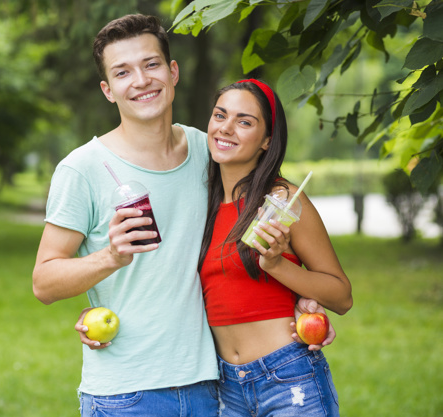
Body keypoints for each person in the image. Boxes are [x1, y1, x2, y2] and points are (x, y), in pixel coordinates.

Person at [33, 14, 335, 416]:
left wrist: (304, 300)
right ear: (108, 90)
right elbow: (44, 282)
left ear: (173, 72)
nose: (140, 81)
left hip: (211, 389)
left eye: (151, 64)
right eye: (123, 72)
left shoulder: (207, 152)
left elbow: (250, 224)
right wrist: (110, 258)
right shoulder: (83, 169)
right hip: (126, 394)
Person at [199, 79, 353, 416]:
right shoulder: (201, 203)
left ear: (267, 140)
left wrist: (277, 265)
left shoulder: (283, 201)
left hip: (288, 378)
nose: (226, 128)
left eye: (244, 122)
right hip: (224, 387)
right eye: (220, 115)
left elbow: (341, 296)